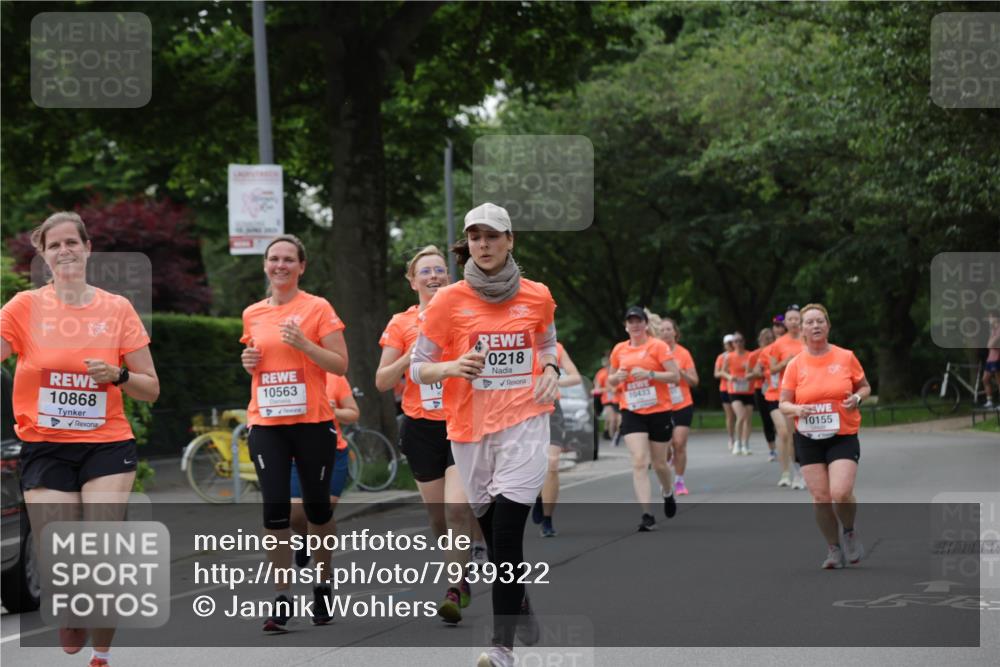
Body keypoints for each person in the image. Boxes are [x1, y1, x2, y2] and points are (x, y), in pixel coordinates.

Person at [1, 211, 160, 667]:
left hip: (106, 444)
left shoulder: (117, 309)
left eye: (73, 242)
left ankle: (101, 655)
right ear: (43, 256)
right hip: (46, 446)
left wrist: (118, 374)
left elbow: (150, 388)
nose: (65, 250)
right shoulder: (23, 308)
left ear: (88, 248)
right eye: (55, 245)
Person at [409, 203, 559, 667]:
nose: (484, 245)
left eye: (492, 236)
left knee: (509, 534)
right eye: (475, 237)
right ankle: (519, 602)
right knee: (494, 538)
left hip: (525, 425)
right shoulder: (448, 301)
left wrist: (550, 367)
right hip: (470, 430)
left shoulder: (537, 296)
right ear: (467, 245)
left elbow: (547, 342)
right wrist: (452, 366)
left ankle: (501, 647)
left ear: (510, 240)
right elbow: (418, 367)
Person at [239, 234, 348, 631]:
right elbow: (258, 360)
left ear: (301, 266)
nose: (280, 265)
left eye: (288, 259)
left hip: (313, 423)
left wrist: (304, 343)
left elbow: (339, 364)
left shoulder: (318, 308)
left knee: (318, 509)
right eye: (274, 259)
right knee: (274, 510)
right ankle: (282, 596)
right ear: (266, 265)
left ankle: (322, 582)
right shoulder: (253, 313)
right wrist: (248, 361)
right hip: (267, 423)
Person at [375, 244, 483, 624]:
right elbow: (383, 380)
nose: (434, 276)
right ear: (412, 281)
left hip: (461, 422)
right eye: (426, 271)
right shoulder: (400, 323)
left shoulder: (464, 316)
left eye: (440, 270)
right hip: (420, 427)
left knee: (457, 509)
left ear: (448, 277)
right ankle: (462, 562)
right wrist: (414, 353)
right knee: (439, 518)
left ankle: (454, 586)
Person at [779, 303, 870, 569]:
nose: (816, 326)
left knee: (840, 492)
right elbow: (783, 403)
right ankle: (833, 549)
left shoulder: (846, 357)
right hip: (808, 437)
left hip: (842, 433)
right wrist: (797, 409)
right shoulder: (795, 365)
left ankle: (850, 531)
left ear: (828, 326)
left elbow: (864, 386)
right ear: (802, 330)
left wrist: (857, 397)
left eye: (820, 321)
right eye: (810, 322)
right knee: (820, 496)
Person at [608, 307, 681, 532]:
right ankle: (647, 514)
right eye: (631, 321)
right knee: (639, 460)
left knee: (659, 463)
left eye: (639, 321)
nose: (635, 325)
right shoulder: (619, 350)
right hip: (631, 410)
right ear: (626, 326)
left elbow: (676, 376)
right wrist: (616, 377)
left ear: (646, 324)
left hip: (658, 410)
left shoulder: (657, 346)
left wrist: (650, 374)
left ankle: (668, 492)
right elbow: (610, 381)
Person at [290, 372, 358, 568]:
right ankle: (304, 537)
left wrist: (333, 411)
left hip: (332, 452)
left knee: (323, 512)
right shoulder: (287, 375)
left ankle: (324, 569)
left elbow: (353, 413)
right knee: (295, 514)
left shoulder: (334, 377)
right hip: (296, 454)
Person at [531, 341, 582, 537]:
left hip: (551, 409)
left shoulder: (555, 347)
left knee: (552, 463)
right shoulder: (514, 342)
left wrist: (553, 379)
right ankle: (537, 495)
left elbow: (576, 377)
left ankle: (547, 519)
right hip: (522, 412)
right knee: (532, 464)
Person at [657, 317, 698, 495]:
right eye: (662, 330)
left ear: (675, 332)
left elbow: (695, 381)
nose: (666, 332)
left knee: (679, 443)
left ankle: (679, 481)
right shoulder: (655, 352)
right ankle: (666, 477)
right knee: (665, 447)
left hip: (682, 403)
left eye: (669, 329)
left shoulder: (683, 354)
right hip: (662, 405)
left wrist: (680, 373)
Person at [769, 306, 805, 489]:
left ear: (801, 320)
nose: (793, 322)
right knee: (792, 435)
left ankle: (814, 470)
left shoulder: (808, 339)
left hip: (809, 391)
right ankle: (797, 472)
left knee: (809, 433)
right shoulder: (778, 344)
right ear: (785, 323)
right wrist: (786, 362)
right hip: (789, 393)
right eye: (790, 319)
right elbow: (772, 369)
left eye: (796, 319)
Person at [721, 332, 755, 455]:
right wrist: (730, 377)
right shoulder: (729, 356)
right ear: (733, 343)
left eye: (740, 340)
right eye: (736, 341)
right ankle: (737, 443)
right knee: (741, 415)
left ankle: (746, 444)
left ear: (744, 342)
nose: (738, 343)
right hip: (734, 390)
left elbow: (756, 372)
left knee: (748, 419)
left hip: (748, 390)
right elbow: (722, 372)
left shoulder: (750, 355)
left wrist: (749, 371)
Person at [750, 328, 778, 462]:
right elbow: (750, 374)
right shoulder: (755, 354)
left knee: (778, 420)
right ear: (759, 340)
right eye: (764, 338)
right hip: (761, 389)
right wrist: (765, 373)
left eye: (770, 338)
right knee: (766, 419)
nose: (767, 341)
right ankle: (772, 449)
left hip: (778, 388)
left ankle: (784, 445)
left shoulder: (778, 350)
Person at [714, 334, 736, 451]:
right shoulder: (721, 357)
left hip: (738, 388)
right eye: (728, 343)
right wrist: (726, 374)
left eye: (732, 342)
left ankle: (740, 439)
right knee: (730, 415)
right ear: (725, 345)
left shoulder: (739, 355)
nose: (731, 345)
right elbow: (717, 373)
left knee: (739, 414)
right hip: (725, 388)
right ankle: (731, 438)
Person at [983, 312, 1000, 408]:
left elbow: (991, 344)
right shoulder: (993, 330)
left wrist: (991, 342)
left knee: (999, 381)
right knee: (985, 379)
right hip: (990, 358)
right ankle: (989, 401)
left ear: (996, 318)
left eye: (991, 317)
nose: (989, 319)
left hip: (997, 358)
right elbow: (988, 345)